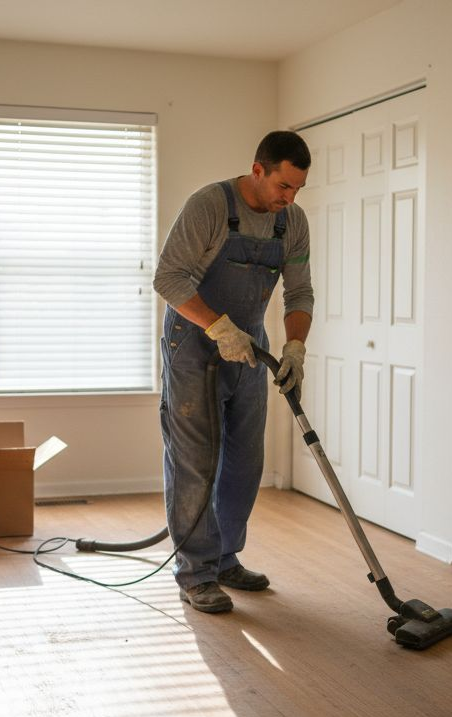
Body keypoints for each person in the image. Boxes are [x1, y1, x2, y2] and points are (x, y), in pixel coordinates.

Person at [153, 131, 313, 614]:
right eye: (283, 186)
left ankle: (224, 559)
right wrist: (219, 328)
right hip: (192, 346)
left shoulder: (292, 222)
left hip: (249, 350)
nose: (290, 199)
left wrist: (296, 346)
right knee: (195, 461)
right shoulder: (210, 205)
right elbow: (168, 277)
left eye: (298, 188)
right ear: (258, 169)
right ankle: (196, 573)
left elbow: (299, 292)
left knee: (245, 460)